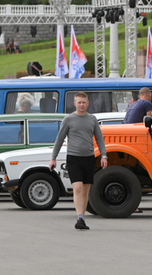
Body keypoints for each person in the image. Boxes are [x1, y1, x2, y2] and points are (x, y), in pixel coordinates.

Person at [49, 92, 106, 230]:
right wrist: (53, 158)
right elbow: (60, 139)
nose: (81, 104)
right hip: (74, 158)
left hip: (89, 158)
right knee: (78, 187)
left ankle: (82, 218)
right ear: (75, 104)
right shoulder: (68, 119)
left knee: (85, 190)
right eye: (79, 102)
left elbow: (99, 138)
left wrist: (104, 155)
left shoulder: (92, 119)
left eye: (83, 102)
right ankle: (79, 217)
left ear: (88, 103)